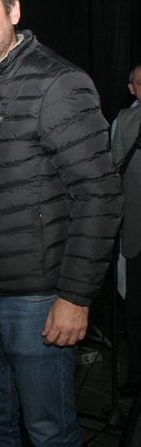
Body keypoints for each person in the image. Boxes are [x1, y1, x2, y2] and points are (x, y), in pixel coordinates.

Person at [0, 0, 123, 445]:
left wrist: (75, 297)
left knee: (49, 432)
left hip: (37, 302)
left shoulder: (57, 83)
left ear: (13, 11)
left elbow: (99, 195)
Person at [111, 63, 141, 398]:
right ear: (132, 88)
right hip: (135, 237)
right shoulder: (125, 122)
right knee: (134, 316)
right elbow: (111, 170)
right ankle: (135, 375)